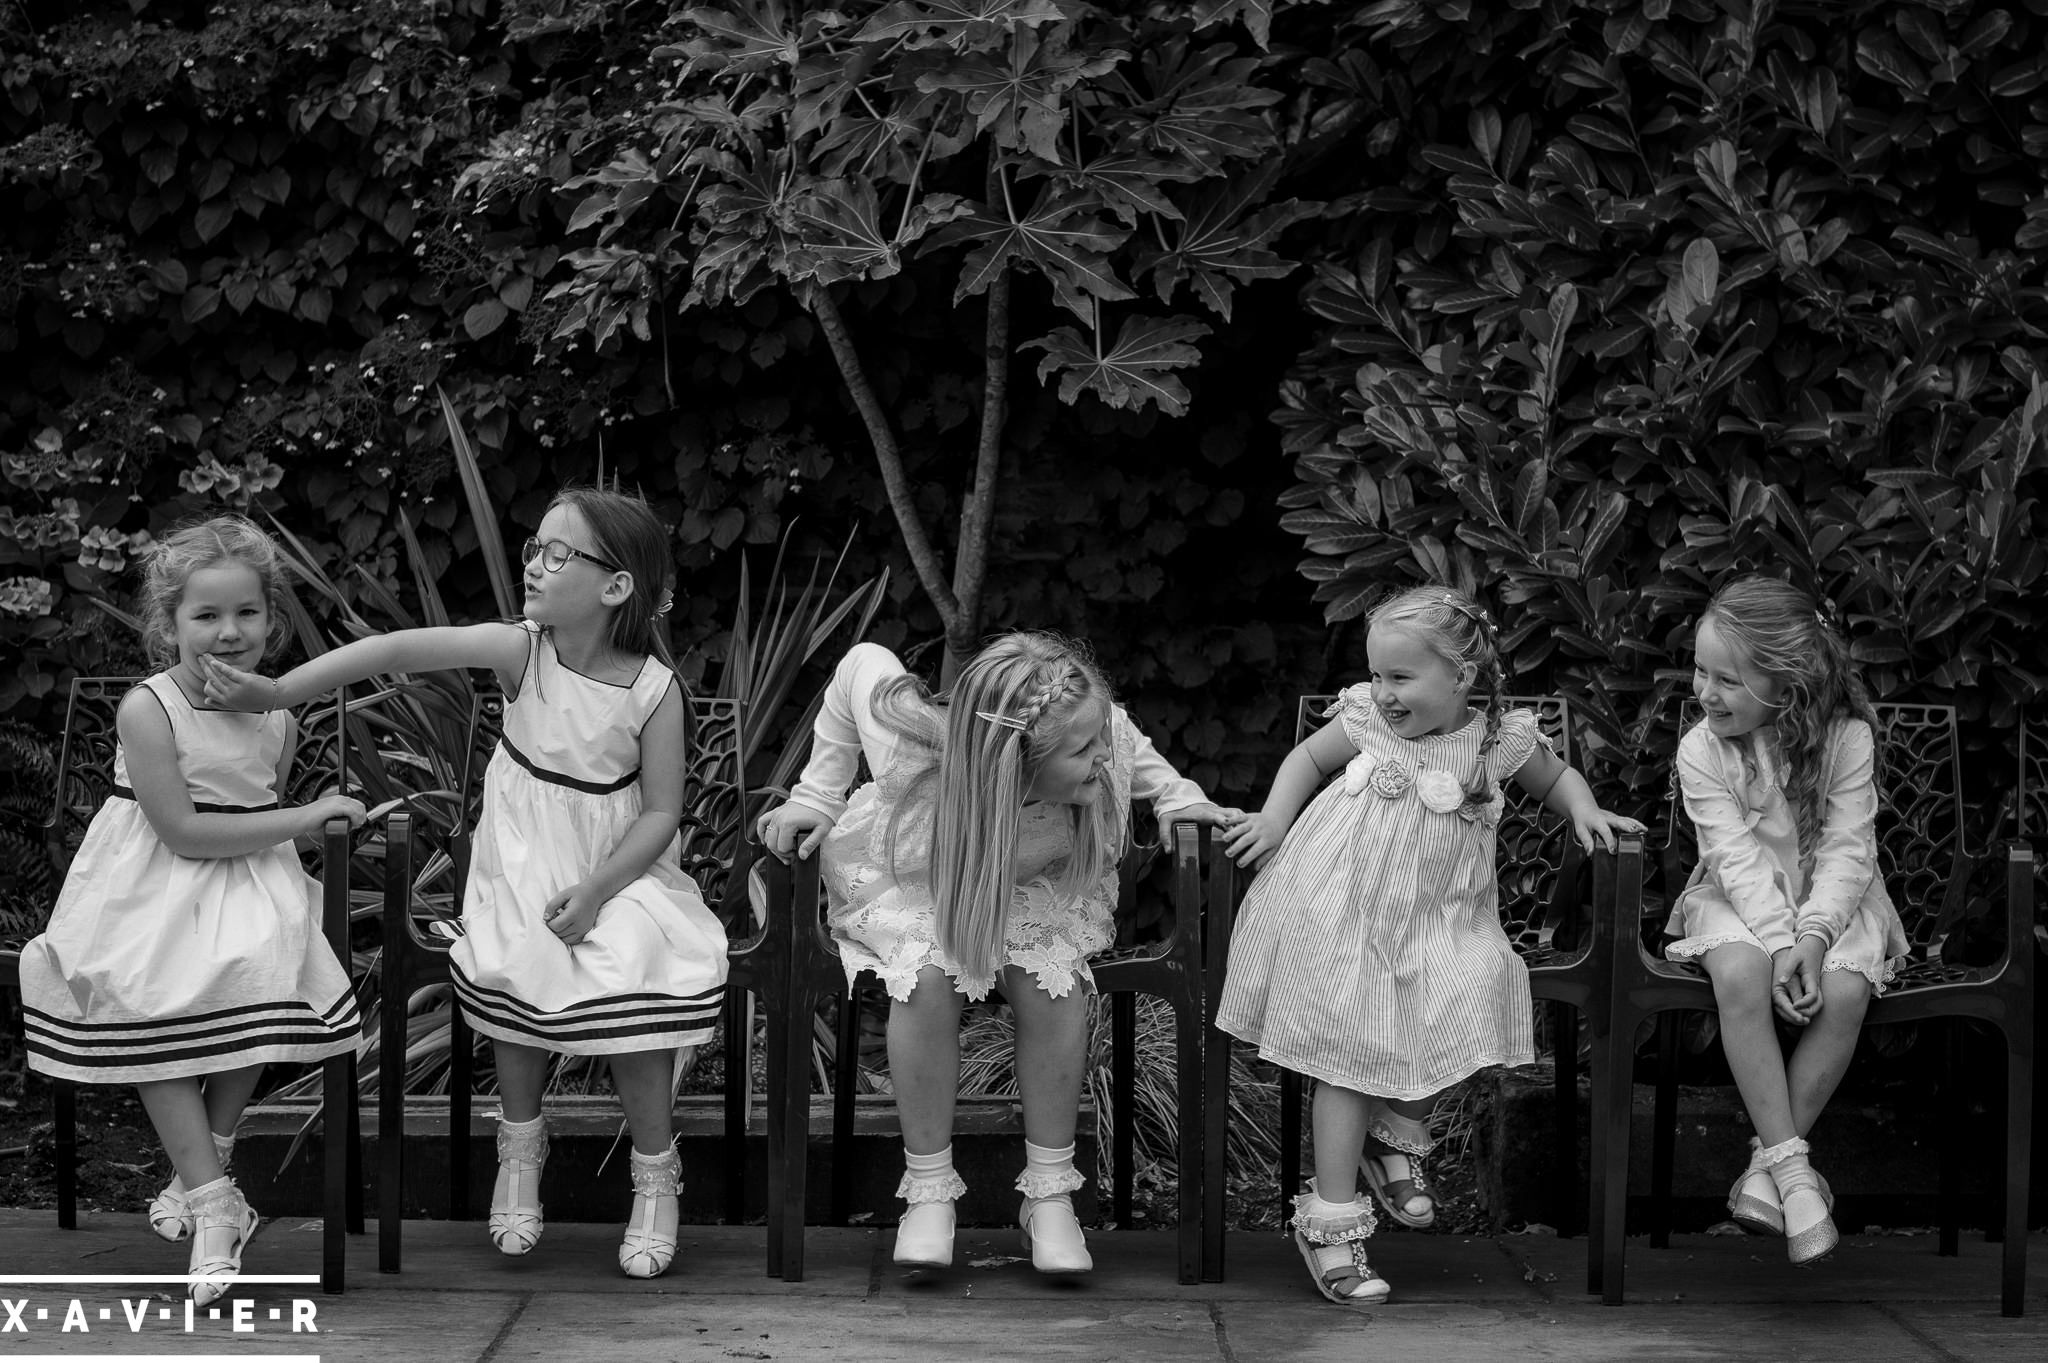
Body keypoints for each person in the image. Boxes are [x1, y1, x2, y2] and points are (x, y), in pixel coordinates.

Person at [202, 486, 725, 1279]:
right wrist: (276, 692)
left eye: (560, 553)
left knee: (634, 962)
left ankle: (656, 1170)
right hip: (519, 862)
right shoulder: (524, 649)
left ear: (616, 586)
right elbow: (394, 650)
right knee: (515, 955)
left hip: (619, 870)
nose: (536, 565)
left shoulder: (654, 690)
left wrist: (595, 890)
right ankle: (520, 1141)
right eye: (534, 548)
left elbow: (660, 814)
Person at [757, 634, 1235, 1275]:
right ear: (1015, 760)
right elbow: (859, 661)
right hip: (930, 877)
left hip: (1034, 879)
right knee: (926, 981)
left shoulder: (1093, 729)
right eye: (1080, 751)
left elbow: (1123, 738)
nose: (1102, 758)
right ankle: (927, 1191)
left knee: (1050, 982)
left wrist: (1178, 797)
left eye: (1098, 742)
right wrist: (817, 793)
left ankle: (1051, 1193)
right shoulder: (915, 751)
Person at [1216, 584, 1640, 1305]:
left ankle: (1394, 1133)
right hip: (1338, 912)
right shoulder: (1364, 720)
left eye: (1400, 677)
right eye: (1377, 674)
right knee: (1345, 1055)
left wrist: (1584, 808)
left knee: (1479, 983)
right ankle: (1332, 1226)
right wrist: (1276, 819)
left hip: (1440, 919)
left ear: (1462, 676)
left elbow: (1556, 774)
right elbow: (1304, 762)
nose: (1382, 692)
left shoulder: (1497, 739)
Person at [17, 515, 365, 1305]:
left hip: (246, 882)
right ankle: (216, 1202)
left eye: (247, 613)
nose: (229, 632)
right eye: (205, 616)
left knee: (261, 966)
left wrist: (292, 823)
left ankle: (199, 1167)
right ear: (168, 623)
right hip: (149, 883)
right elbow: (181, 828)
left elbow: (256, 808)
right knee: (139, 995)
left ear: (271, 620)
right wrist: (308, 817)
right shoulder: (151, 707)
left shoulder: (277, 714)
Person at [1663, 577, 1904, 1266]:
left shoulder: (1847, 737)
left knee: (1847, 989)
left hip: (1834, 906)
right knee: (1740, 971)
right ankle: (1796, 1173)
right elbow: (1733, 859)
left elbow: (1849, 848)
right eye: (1700, 671)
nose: (1705, 692)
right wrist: (1778, 942)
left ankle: (1765, 1169)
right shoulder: (1702, 750)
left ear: (1790, 683)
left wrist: (1814, 936)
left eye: (1727, 680)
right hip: (1740, 904)